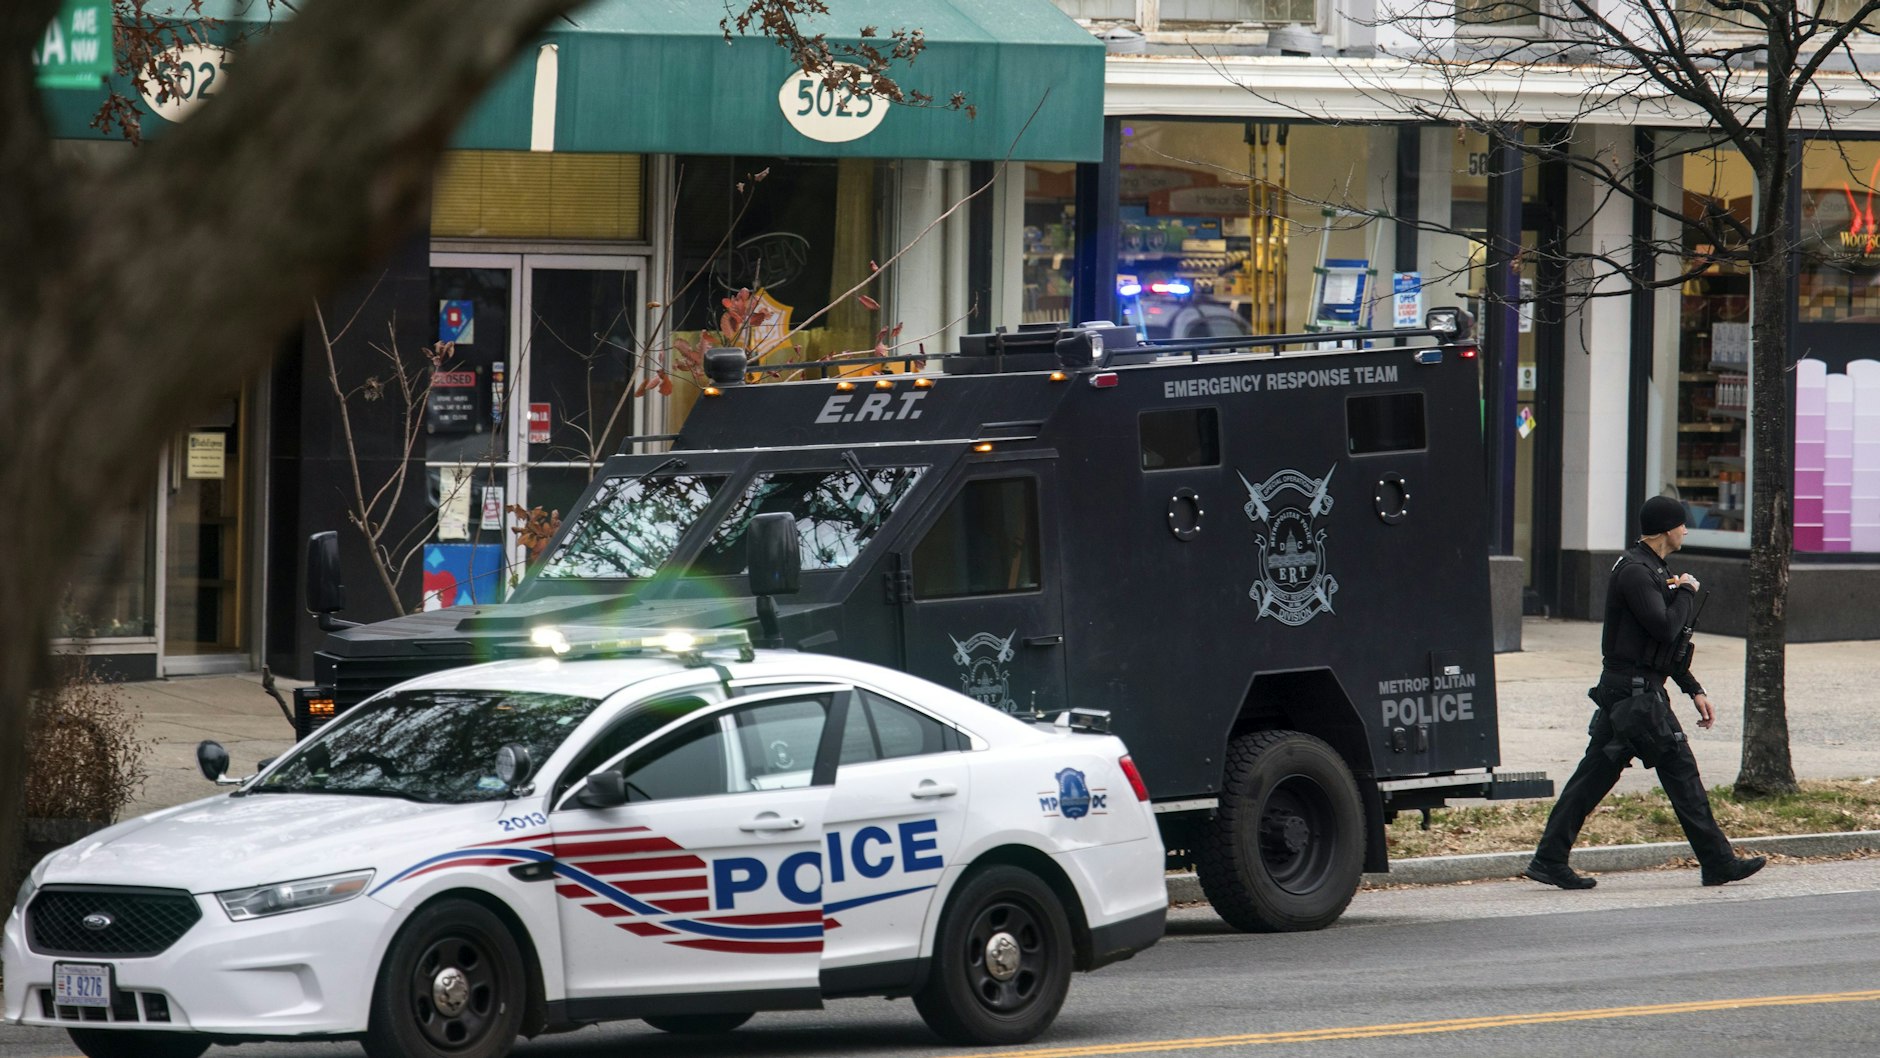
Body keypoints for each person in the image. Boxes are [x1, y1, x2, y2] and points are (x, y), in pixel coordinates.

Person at [1525, 495, 1766, 890]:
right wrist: (1686, 591)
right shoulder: (1636, 572)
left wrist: (1693, 689)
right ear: (1667, 529)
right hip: (1634, 695)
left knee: (1594, 776)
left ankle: (1549, 858)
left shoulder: (1652, 569)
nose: (1687, 529)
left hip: (1633, 690)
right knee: (1680, 769)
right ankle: (1718, 861)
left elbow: (1664, 650)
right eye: (1682, 524)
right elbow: (1664, 627)